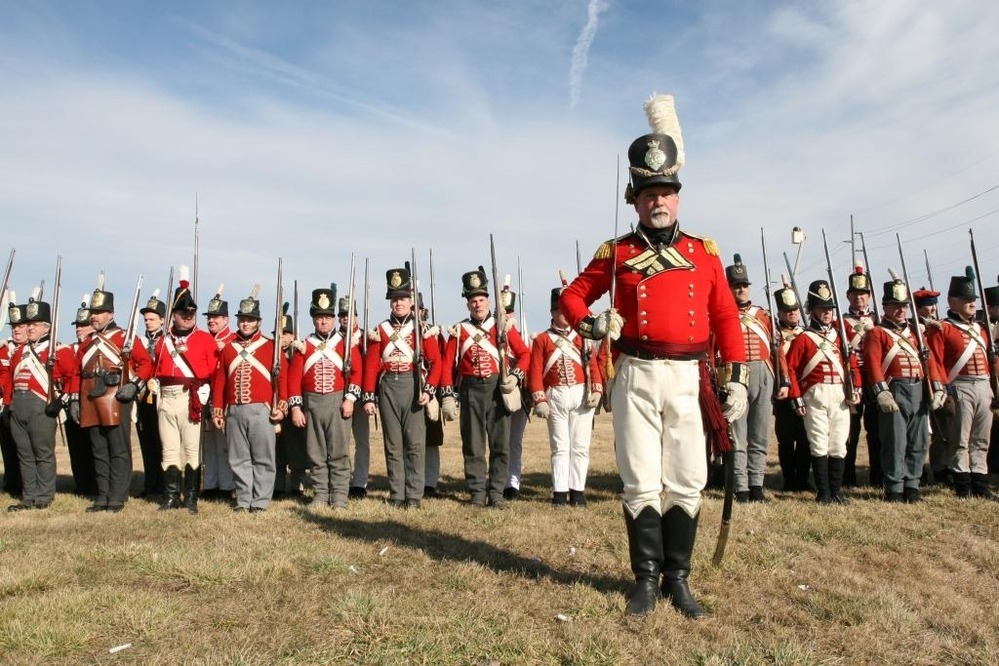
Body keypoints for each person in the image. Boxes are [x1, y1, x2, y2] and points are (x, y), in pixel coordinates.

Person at [559, 94, 748, 618]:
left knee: (687, 477)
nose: (658, 201)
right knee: (640, 477)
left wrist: (734, 377)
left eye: (665, 192)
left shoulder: (704, 254)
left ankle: (677, 579)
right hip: (636, 374)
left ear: (678, 198)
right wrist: (592, 323)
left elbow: (727, 318)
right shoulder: (616, 253)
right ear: (635, 199)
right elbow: (571, 297)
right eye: (648, 193)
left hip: (690, 378)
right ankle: (644, 578)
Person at [441, 266, 530, 509]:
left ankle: (497, 493)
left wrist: (515, 376)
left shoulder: (503, 326)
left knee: (500, 444)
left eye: (481, 300)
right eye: (473, 301)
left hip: (496, 388)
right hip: (470, 389)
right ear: (467, 304)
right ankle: (477, 494)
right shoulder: (459, 331)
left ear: (488, 300)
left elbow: (524, 353)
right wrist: (447, 394)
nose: (477, 305)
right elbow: (448, 365)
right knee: (473, 444)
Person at [862, 275, 947, 503]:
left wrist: (937, 387)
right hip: (895, 388)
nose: (900, 310)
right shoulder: (877, 333)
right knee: (895, 442)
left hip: (919, 387)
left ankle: (912, 485)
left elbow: (929, 362)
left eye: (904, 306)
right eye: (895, 306)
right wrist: (882, 391)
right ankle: (895, 487)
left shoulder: (916, 333)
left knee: (918, 442)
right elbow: (872, 363)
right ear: (885, 308)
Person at [73, 276, 154, 513]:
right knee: (98, 448)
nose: (94, 316)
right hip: (90, 397)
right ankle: (103, 495)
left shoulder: (124, 337)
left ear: (111, 313)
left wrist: (135, 385)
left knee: (117, 447)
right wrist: (75, 400)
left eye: (100, 312)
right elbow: (77, 373)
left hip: (116, 396)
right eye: (93, 312)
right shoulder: (87, 343)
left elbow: (145, 363)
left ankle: (118, 496)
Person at [363, 269, 441, 509]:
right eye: (394, 299)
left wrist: (429, 390)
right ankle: (397, 493)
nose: (398, 303)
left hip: (413, 383)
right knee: (393, 443)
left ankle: (414, 495)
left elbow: (436, 362)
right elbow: (372, 365)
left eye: (403, 299)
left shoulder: (421, 329)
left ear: (411, 301)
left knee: (415, 443)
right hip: (388, 385)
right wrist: (369, 396)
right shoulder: (381, 330)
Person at [211, 286, 287, 512]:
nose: (245, 323)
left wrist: (281, 407)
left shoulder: (271, 347)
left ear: (258, 323)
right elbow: (220, 382)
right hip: (234, 409)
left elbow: (281, 379)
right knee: (238, 458)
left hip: (261, 409)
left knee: (263, 458)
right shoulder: (228, 349)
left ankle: (261, 502)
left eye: (250, 320)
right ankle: (244, 500)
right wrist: (218, 410)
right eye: (242, 319)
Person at [786, 280, 862, 505]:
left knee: (839, 443)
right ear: (812, 311)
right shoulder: (804, 339)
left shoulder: (841, 338)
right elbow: (791, 369)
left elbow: (853, 365)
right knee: (818, 442)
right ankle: (824, 491)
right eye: (822, 309)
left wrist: (856, 387)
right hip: (815, 395)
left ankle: (836, 490)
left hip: (840, 394)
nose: (827, 313)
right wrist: (796, 397)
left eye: (829, 309)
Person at [925, 268, 998, 499]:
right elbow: (935, 360)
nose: (971, 304)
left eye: (972, 300)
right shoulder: (943, 328)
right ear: (952, 302)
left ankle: (980, 482)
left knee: (981, 438)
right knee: (960, 439)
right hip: (960, 386)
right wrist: (941, 387)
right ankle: (962, 483)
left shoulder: (981, 329)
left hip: (984, 386)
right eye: (965, 300)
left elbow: (990, 360)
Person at [288, 287, 361, 509]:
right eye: (319, 317)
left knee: (339, 452)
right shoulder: (304, 345)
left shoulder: (346, 342)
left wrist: (349, 399)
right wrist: (296, 408)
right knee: (315, 452)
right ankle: (320, 494)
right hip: (311, 403)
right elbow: (294, 379)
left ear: (333, 319)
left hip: (337, 402)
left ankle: (340, 496)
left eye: (328, 317)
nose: (323, 322)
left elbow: (357, 372)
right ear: (313, 320)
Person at [152, 269, 218, 513]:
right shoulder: (163, 341)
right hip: (166, 398)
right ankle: (171, 496)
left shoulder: (204, 340)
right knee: (169, 449)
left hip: (190, 398)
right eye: (183, 312)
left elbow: (213, 371)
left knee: (191, 449)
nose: (188, 316)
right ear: (174, 315)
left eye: (191, 312)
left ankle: (190, 497)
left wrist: (206, 397)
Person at [529, 286, 601, 506]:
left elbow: (593, 364)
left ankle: (577, 491)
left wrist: (597, 388)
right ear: (552, 313)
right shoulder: (542, 340)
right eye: (561, 311)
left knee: (580, 446)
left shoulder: (584, 337)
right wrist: (539, 398)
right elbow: (534, 371)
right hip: (556, 395)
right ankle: (560, 492)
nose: (565, 316)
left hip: (580, 393)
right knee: (560, 447)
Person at [5, 292, 75, 511]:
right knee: (24, 454)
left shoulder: (58, 351)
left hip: (41, 405)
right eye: (29, 324)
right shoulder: (20, 352)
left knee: (42, 452)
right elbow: (10, 380)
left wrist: (61, 400)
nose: (31, 328)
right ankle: (29, 496)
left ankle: (44, 496)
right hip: (19, 405)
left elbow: (72, 378)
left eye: (36, 324)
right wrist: (9, 404)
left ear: (47, 327)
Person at [725, 255, 785, 503]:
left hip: (763, 373)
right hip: (736, 375)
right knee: (738, 435)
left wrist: (784, 380)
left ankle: (757, 484)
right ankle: (741, 487)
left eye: (744, 285)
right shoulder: (723, 314)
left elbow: (777, 349)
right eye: (736, 285)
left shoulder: (763, 315)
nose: (741, 289)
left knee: (760, 434)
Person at [842, 264, 881, 487]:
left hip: (874, 378)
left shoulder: (878, 321)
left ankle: (877, 476)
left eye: (863, 294)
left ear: (869, 296)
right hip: (851, 379)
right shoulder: (841, 321)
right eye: (855, 294)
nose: (859, 298)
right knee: (850, 432)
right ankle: (848, 476)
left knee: (876, 432)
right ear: (848, 295)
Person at [773, 284, 811, 491]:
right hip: (783, 393)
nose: (793, 314)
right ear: (780, 313)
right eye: (788, 311)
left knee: (805, 440)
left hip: (805, 392)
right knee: (786, 440)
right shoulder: (775, 334)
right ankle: (789, 480)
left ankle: (803, 479)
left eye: (795, 310)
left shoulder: (807, 333)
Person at [200, 286, 236, 501]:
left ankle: (226, 485)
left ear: (226, 320)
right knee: (208, 444)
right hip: (203, 395)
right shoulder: (204, 339)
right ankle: (210, 484)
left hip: (223, 396)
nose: (212, 321)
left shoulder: (232, 340)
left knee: (223, 445)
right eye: (210, 317)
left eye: (216, 317)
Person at [63, 296, 97, 496]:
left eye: (83, 325)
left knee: (93, 447)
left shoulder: (95, 346)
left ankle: (94, 484)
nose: (78, 329)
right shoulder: (68, 350)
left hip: (92, 401)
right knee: (76, 449)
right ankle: (81, 483)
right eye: (77, 325)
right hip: (72, 402)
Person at [274, 305, 309, 501]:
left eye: (286, 334)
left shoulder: (298, 352)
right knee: (277, 449)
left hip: (295, 404)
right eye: (279, 334)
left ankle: (298, 485)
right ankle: (278, 485)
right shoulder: (271, 353)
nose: (283, 338)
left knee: (296, 448)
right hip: (276, 406)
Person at [135, 289, 166, 500]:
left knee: (163, 442)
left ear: (162, 320)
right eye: (146, 319)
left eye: (152, 319)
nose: (148, 322)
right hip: (142, 396)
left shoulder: (167, 341)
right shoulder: (140, 342)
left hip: (162, 396)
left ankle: (165, 484)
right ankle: (150, 483)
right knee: (146, 441)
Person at [339, 297, 370, 499]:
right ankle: (342, 480)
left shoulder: (366, 337)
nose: (345, 319)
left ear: (356, 316)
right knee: (340, 442)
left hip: (360, 397)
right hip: (340, 396)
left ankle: (359, 482)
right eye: (342, 315)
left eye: (349, 315)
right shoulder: (334, 338)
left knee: (362, 442)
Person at [0, 292, 26, 497]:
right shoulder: (4, 349)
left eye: (20, 326)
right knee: (7, 446)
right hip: (4, 403)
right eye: (13, 327)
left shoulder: (31, 350)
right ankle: (11, 482)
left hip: (23, 402)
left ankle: (26, 484)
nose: (16, 330)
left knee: (24, 448)